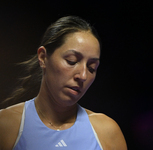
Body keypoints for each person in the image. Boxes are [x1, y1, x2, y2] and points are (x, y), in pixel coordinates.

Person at [0, 16, 127, 150]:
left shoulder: (107, 132)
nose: (83, 76)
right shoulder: (6, 126)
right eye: (71, 61)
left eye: (91, 68)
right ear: (43, 57)